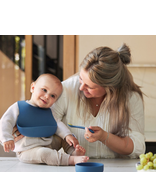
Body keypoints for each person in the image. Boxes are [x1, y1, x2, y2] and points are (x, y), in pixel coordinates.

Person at [12, 44, 145, 159]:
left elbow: (138, 147)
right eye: (81, 79)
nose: (81, 88)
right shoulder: (68, 89)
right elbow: (46, 120)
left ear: (110, 88)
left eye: (90, 87)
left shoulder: (131, 98)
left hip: (118, 170)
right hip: (74, 167)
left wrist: (104, 137)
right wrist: (21, 128)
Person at [0, 74, 89, 165]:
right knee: (43, 153)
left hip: (48, 144)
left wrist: (67, 135)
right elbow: (5, 121)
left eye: (53, 96)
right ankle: (71, 160)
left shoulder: (50, 112)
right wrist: (7, 138)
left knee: (62, 137)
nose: (47, 96)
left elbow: (58, 124)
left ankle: (73, 152)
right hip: (27, 150)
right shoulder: (18, 107)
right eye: (44, 90)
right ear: (33, 87)